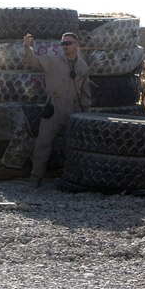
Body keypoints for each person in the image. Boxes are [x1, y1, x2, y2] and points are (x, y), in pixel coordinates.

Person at [23, 32, 91, 184]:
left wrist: (85, 114)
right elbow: (33, 61)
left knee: (72, 146)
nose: (65, 46)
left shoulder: (83, 67)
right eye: (63, 43)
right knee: (43, 143)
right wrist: (27, 47)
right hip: (54, 107)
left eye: (68, 43)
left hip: (73, 110)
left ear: (77, 45)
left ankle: (70, 180)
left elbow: (85, 92)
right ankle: (35, 179)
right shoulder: (53, 61)